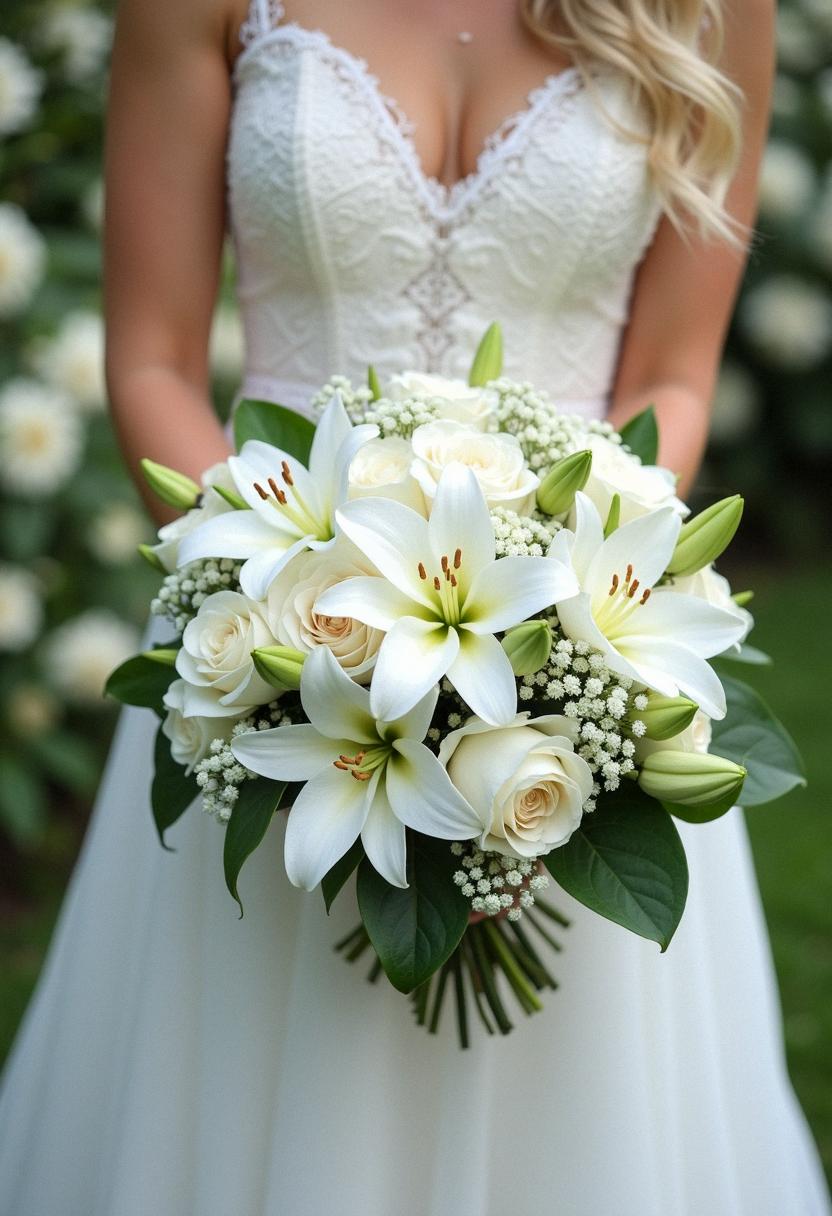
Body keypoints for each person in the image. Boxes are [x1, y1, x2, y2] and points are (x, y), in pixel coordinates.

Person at [0, 1, 829, 1212]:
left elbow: (667, 377)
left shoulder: (703, 8)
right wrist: (287, 611)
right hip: (272, 644)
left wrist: (560, 640)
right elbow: (154, 361)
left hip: (573, 650)